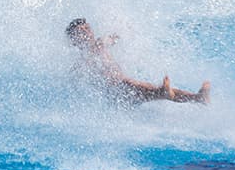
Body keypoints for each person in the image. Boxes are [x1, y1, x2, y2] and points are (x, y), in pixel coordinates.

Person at [66, 18, 210, 105]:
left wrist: (122, 32)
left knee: (147, 88)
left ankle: (197, 98)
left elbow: (113, 38)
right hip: (117, 94)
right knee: (139, 86)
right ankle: (169, 94)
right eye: (81, 32)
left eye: (87, 29)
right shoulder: (84, 58)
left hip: (124, 89)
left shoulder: (99, 44)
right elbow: (77, 76)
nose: (87, 33)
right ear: (74, 40)